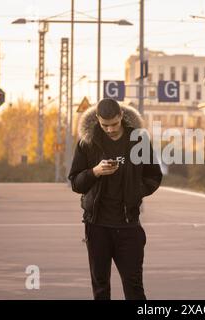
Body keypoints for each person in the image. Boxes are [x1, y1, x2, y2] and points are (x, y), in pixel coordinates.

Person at [68, 98, 162, 300]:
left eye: (113, 124)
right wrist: (95, 172)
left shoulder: (138, 140)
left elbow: (154, 175)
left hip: (128, 226)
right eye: (104, 125)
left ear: (121, 116)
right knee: (100, 287)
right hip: (97, 225)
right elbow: (76, 182)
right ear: (97, 120)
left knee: (134, 287)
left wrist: (136, 191)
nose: (109, 130)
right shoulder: (88, 142)